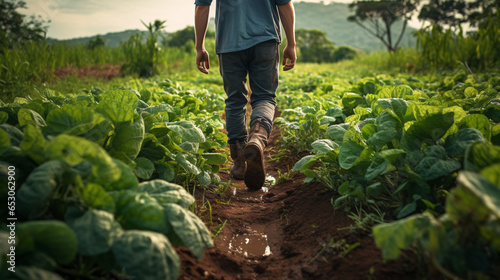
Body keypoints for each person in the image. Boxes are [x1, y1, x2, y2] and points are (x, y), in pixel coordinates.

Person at [194, 0, 296, 190]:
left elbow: (202, 7)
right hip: (265, 39)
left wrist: (199, 47)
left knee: (234, 101)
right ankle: (257, 138)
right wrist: (291, 43)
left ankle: (240, 164)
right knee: (264, 97)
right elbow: (285, 4)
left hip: (229, 43)